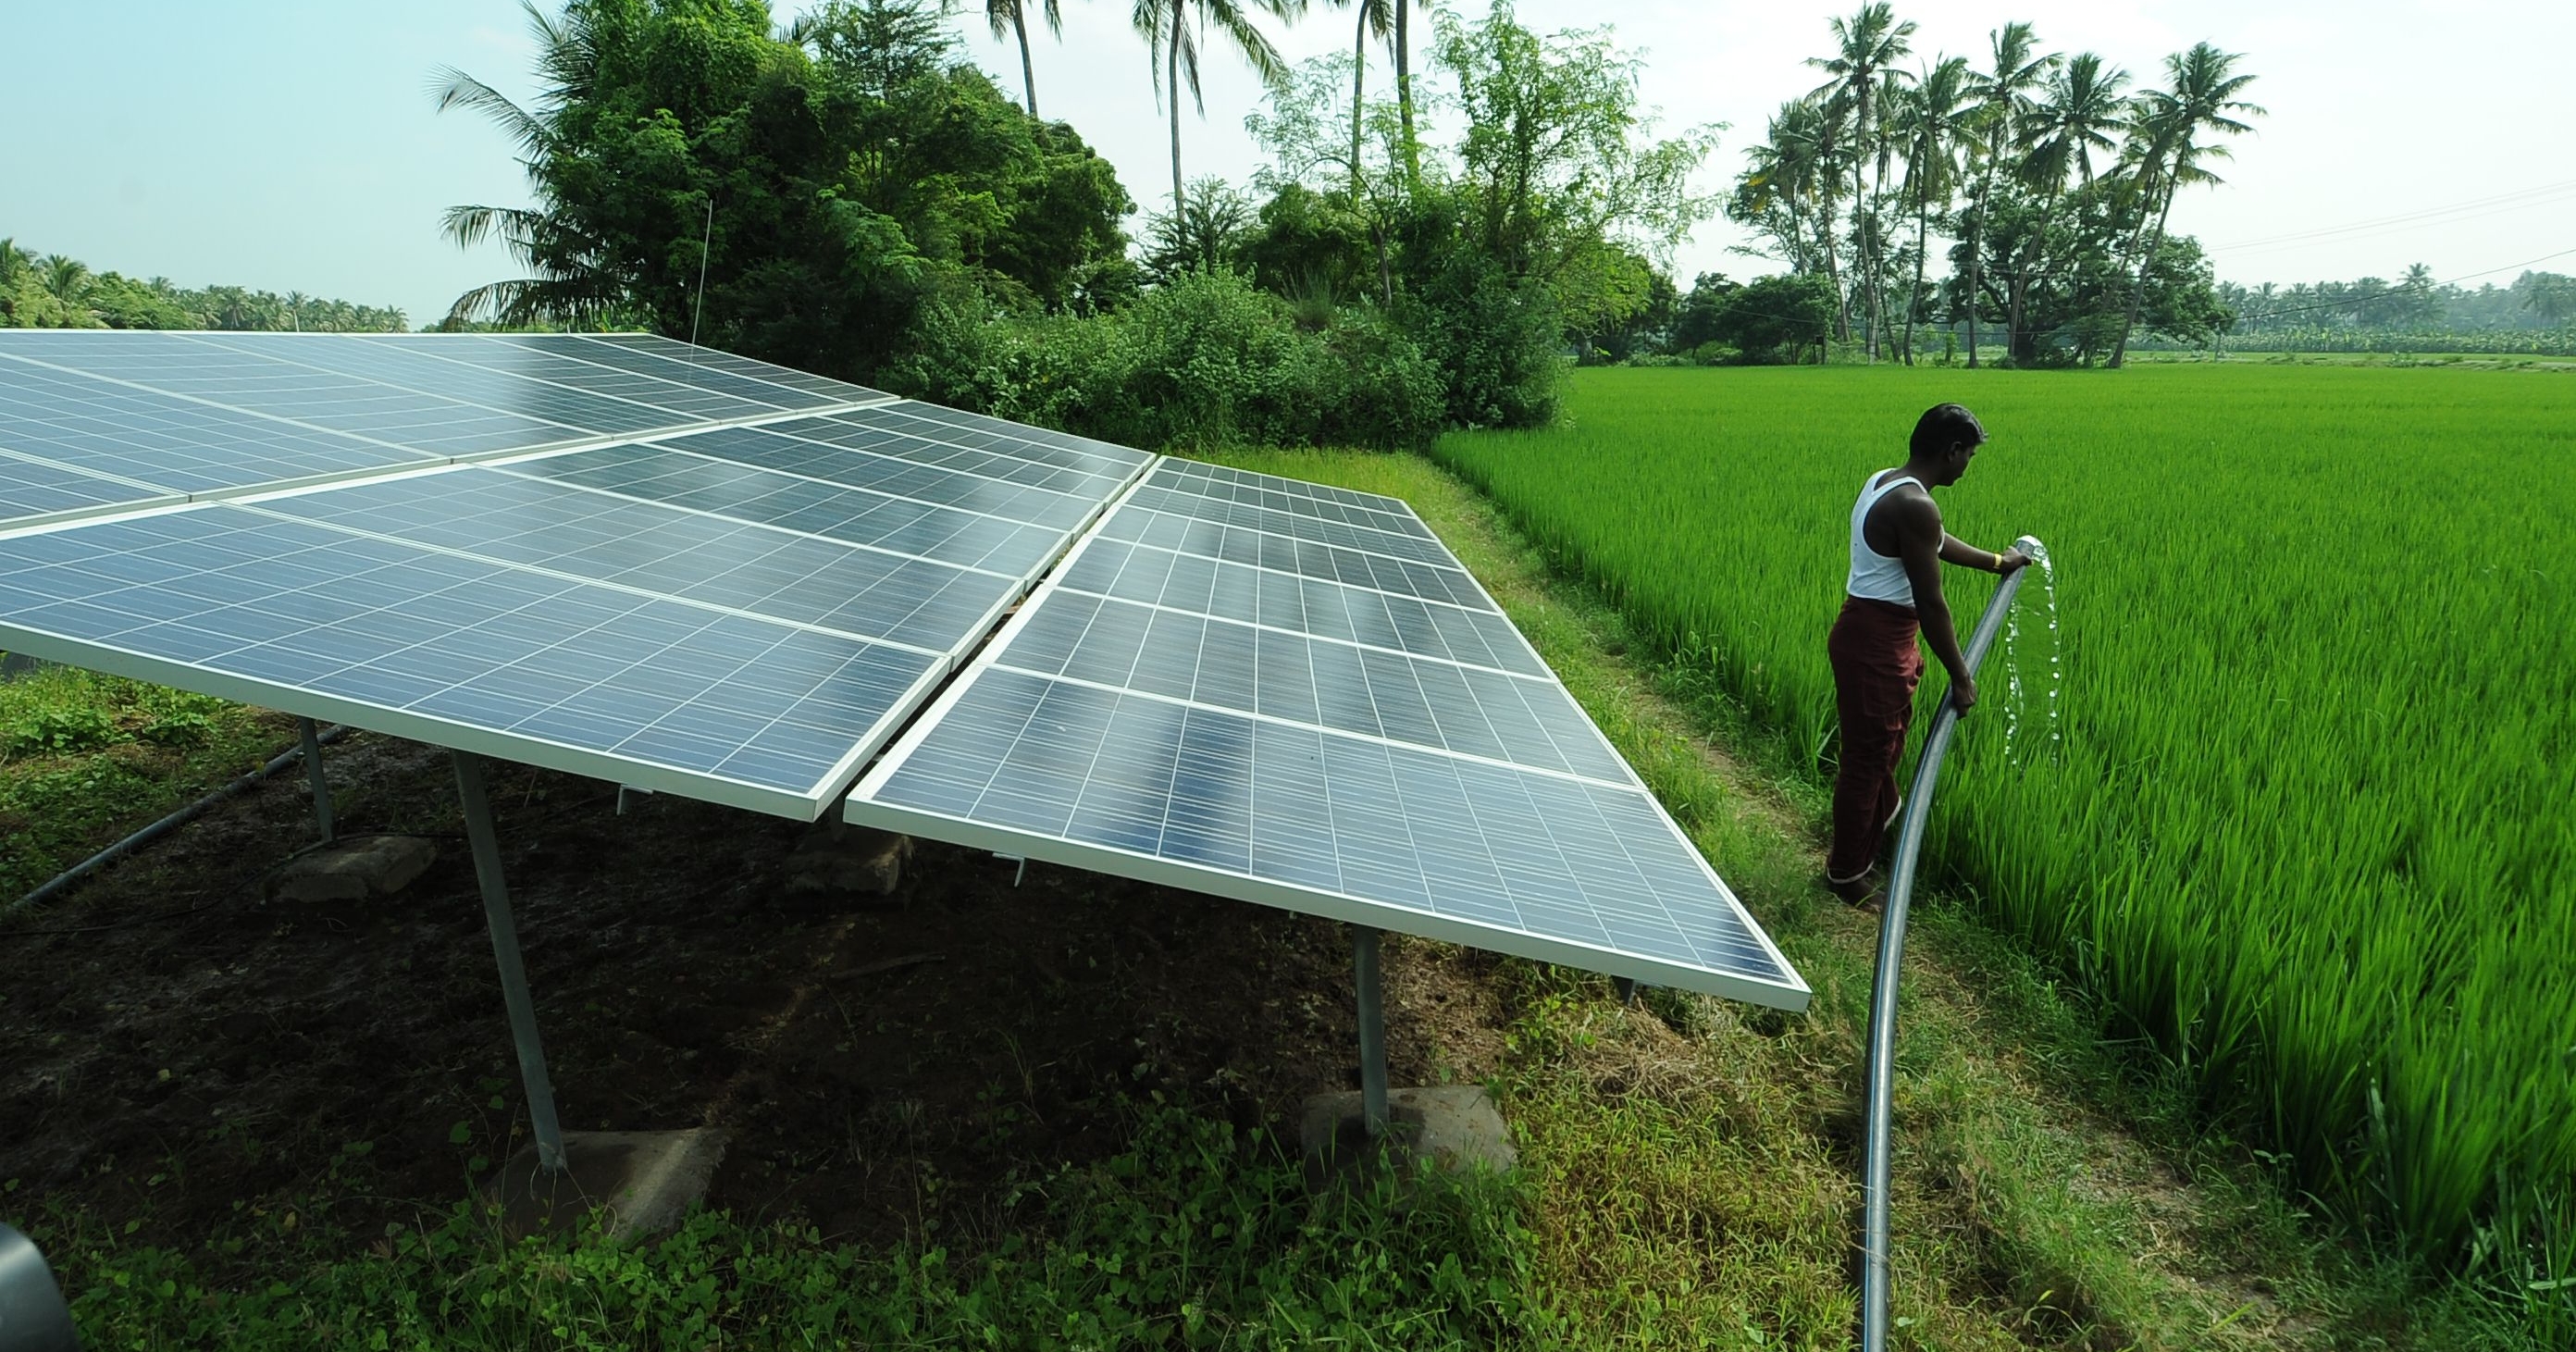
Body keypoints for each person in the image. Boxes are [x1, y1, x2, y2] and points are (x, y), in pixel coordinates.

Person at [1825, 403, 2029, 909]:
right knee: (1865, 763)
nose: (1968, 466)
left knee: (1878, 752)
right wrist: (1961, 675)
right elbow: (1932, 604)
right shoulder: (1916, 505)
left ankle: (1870, 832)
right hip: (1876, 642)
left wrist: (1997, 562)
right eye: (1970, 456)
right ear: (1951, 451)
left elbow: (1931, 543)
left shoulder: (1889, 482)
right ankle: (1846, 874)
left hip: (1873, 634)